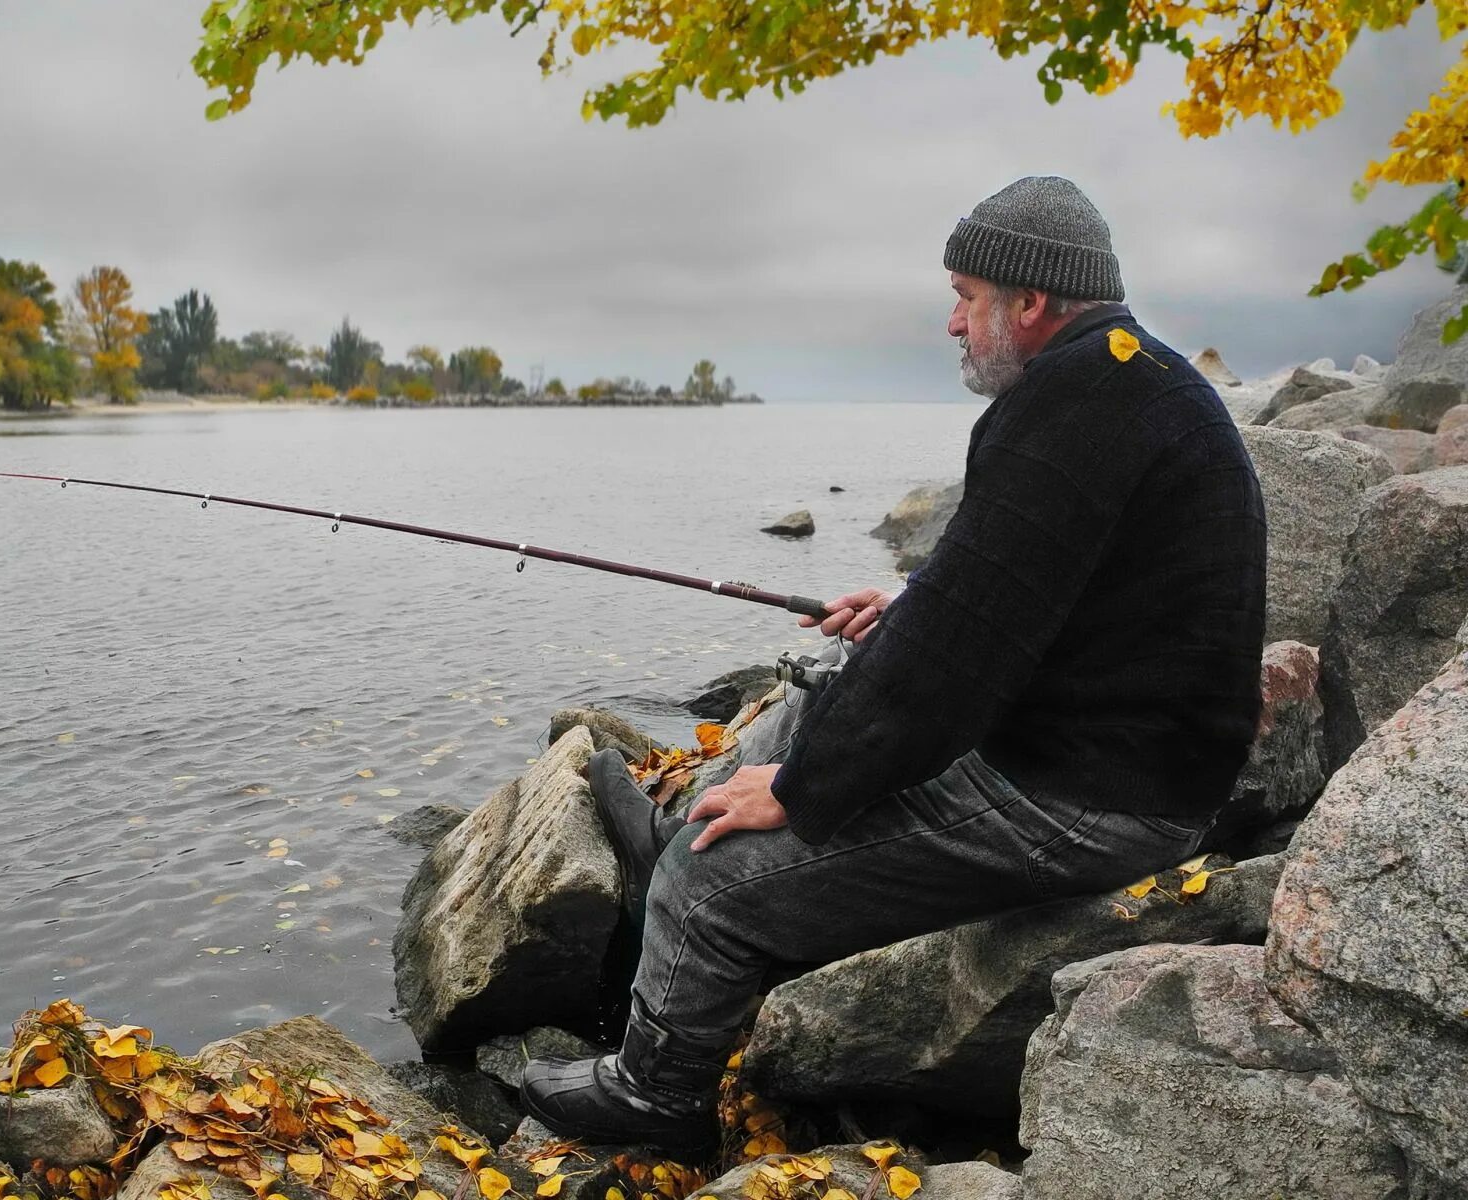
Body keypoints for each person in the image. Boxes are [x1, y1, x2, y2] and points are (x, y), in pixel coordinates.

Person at [519, 176, 1269, 1154]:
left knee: (714, 883)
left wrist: (804, 787)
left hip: (1086, 799)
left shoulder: (1071, 403)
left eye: (965, 296)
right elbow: (1012, 585)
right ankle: (674, 831)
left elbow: (949, 668)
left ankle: (656, 1090)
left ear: (1027, 301)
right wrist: (905, 606)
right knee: (825, 691)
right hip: (1118, 757)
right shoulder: (1132, 378)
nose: (951, 322)